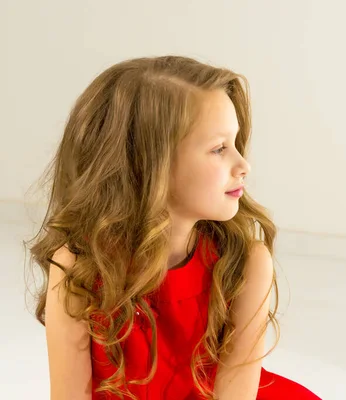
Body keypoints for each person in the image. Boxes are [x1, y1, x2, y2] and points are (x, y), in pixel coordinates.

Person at [27, 55, 321, 400]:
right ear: (148, 165)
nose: (243, 164)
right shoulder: (77, 267)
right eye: (219, 149)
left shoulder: (246, 262)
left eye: (236, 143)